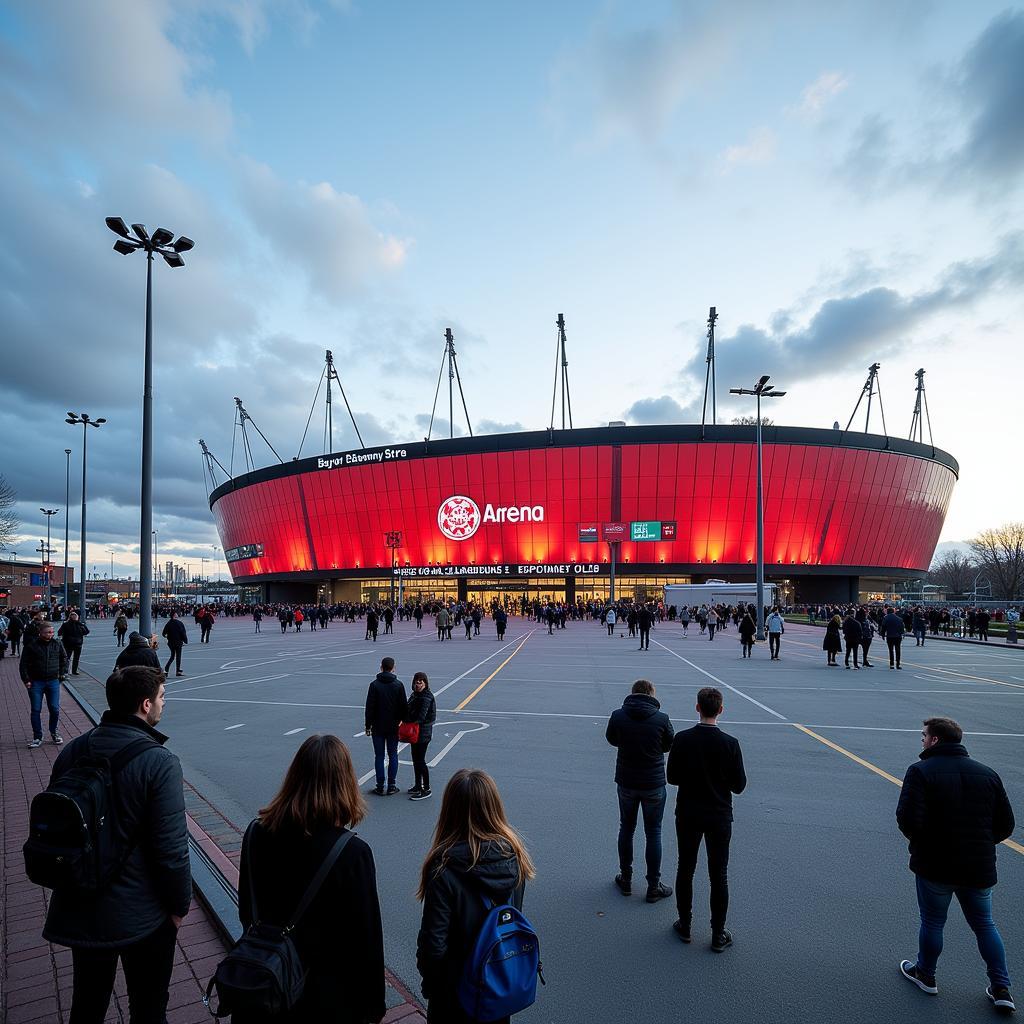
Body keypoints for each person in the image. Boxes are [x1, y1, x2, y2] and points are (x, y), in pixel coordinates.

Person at [43, 666, 191, 1022]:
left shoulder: (75, 750)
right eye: (161, 698)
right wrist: (178, 906)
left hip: (82, 899)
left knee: (88, 1001)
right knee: (149, 1004)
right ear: (144, 705)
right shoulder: (159, 761)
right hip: (141, 911)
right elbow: (171, 850)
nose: (162, 704)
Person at [236, 734, 386, 1023]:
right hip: (325, 996)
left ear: (294, 777)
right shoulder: (352, 853)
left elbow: (246, 909)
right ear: (345, 783)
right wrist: (373, 1006)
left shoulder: (255, 834)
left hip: (265, 982)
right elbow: (366, 941)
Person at [896, 717, 1015, 1012]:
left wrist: (922, 843)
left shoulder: (920, 771)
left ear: (935, 740)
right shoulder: (988, 774)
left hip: (935, 864)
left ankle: (926, 974)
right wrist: (980, 845)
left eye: (924, 736)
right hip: (978, 866)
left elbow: (907, 819)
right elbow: (1006, 825)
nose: (922, 740)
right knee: (985, 925)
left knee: (933, 921)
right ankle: (1001, 988)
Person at [416, 769, 536, 1024]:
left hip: (456, 993)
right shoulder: (515, 857)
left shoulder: (444, 869)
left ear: (449, 811)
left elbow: (433, 945)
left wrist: (432, 987)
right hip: (497, 984)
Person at [667, 687, 746, 952]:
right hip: (719, 815)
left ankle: (686, 924)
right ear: (721, 710)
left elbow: (673, 777)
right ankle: (717, 933)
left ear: (697, 708)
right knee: (718, 875)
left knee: (685, 869)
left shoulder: (682, 739)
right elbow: (739, 786)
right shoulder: (730, 743)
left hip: (688, 812)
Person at [606, 679, 674, 903]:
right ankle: (653, 885)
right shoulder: (661, 719)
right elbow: (668, 744)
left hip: (626, 781)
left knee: (626, 828)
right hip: (653, 783)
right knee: (653, 832)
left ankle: (625, 878)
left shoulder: (618, 715)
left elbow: (611, 739)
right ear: (652, 695)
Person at [20, 620, 68, 748]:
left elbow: (64, 659)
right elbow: (23, 664)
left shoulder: (57, 643)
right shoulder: (31, 646)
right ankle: (37, 736)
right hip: (36, 682)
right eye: (47, 632)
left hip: (53, 681)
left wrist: (62, 673)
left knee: (55, 708)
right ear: (40, 633)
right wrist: (26, 680)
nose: (50, 634)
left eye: (52, 632)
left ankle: (54, 732)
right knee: (36, 710)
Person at [364, 656, 408, 795]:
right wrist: (401, 719)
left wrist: (368, 725)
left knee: (379, 756)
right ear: (393, 668)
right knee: (393, 754)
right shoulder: (398, 685)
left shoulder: (374, 685)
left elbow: (369, 707)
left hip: (378, 725)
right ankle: (391, 785)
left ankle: (380, 785)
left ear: (381, 667)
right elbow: (403, 707)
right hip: (393, 726)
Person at [406, 672, 437, 800]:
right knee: (415, 759)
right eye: (416, 682)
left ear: (425, 683)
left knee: (420, 760)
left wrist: (408, 720)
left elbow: (421, 716)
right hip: (415, 733)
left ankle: (427, 788)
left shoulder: (426, 697)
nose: (418, 684)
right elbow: (408, 709)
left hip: (422, 733)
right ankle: (418, 785)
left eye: (421, 681)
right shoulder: (415, 695)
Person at [58, 610, 91, 676]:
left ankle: (66, 671)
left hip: (68, 643)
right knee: (75, 658)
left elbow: (59, 633)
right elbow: (86, 632)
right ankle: (74, 670)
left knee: (67, 658)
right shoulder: (79, 624)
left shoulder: (66, 624)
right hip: (77, 643)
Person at [161, 611, 188, 677]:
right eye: (176, 614)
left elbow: (163, 633)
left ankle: (166, 671)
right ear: (174, 615)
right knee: (178, 656)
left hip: (171, 642)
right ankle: (178, 671)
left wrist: (168, 637)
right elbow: (183, 632)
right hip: (178, 642)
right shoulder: (179, 623)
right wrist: (185, 640)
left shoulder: (169, 623)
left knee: (172, 656)